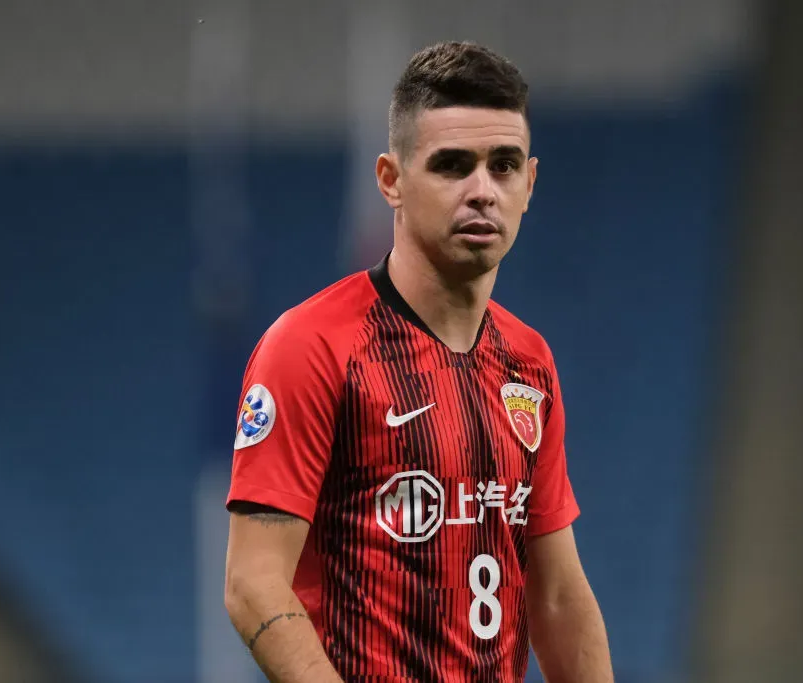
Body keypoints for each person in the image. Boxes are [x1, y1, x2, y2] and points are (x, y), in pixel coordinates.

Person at [223, 40, 614, 683]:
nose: (483, 191)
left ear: (530, 183)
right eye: (452, 165)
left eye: (504, 165)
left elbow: (557, 596)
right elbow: (252, 584)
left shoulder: (529, 363)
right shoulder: (313, 347)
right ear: (391, 180)